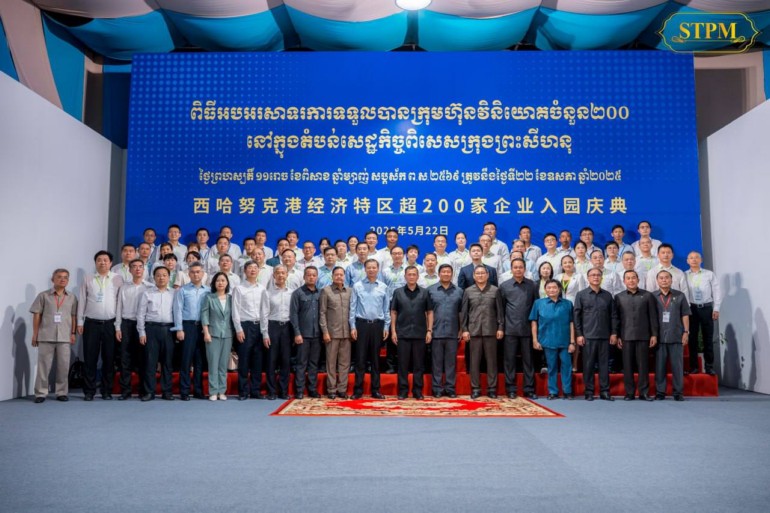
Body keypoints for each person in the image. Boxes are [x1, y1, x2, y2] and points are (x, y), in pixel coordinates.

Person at [77, 250, 124, 401]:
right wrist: (80, 321)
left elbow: (119, 304)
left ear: (111, 263)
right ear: (95, 262)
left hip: (110, 324)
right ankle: (89, 391)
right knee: (90, 358)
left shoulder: (117, 278)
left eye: (105, 260)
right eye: (99, 260)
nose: (102, 262)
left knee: (109, 359)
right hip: (91, 324)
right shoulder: (88, 278)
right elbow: (82, 300)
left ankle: (106, 390)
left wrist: (118, 326)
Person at [30, 268, 78, 403]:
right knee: (43, 366)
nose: (62, 279)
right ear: (53, 279)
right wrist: (35, 334)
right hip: (46, 335)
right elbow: (37, 315)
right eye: (59, 277)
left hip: (65, 336)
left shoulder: (72, 297)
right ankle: (40, 393)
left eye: (65, 277)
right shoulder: (43, 296)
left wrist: (73, 333)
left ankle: (61, 392)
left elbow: (73, 316)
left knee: (63, 366)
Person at [613, 270, 659, 401]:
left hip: (643, 336)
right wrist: (617, 335)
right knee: (627, 366)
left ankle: (644, 392)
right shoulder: (619, 297)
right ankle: (629, 393)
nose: (631, 280)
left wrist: (654, 334)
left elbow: (653, 316)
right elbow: (616, 318)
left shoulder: (648, 296)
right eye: (628, 278)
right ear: (624, 281)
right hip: (626, 336)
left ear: (638, 280)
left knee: (643, 366)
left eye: (633, 278)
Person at [498, 258, 540, 399]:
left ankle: (529, 389)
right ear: (511, 269)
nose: (518, 269)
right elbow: (501, 309)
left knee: (528, 361)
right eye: (515, 267)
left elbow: (536, 307)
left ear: (525, 269)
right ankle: (510, 389)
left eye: (520, 267)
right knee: (509, 361)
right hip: (510, 329)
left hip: (527, 329)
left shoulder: (532, 285)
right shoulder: (504, 286)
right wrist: (501, 327)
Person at [461, 265, 504, 399]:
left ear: (487, 275)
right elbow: (464, 312)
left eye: (482, 273)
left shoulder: (495, 290)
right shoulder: (468, 291)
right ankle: (475, 388)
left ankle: (492, 388)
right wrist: (464, 329)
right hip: (473, 331)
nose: (480, 275)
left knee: (492, 361)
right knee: (474, 362)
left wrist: (500, 327)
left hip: (491, 330)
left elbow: (500, 311)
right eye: (478, 273)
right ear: (474, 276)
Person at [390, 266, 434, 400]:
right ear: (405, 276)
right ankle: (403, 391)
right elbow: (393, 312)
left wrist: (429, 330)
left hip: (420, 334)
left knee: (419, 365)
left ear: (418, 276)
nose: (411, 277)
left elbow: (429, 312)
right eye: (409, 274)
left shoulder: (425, 292)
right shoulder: (398, 292)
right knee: (402, 365)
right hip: (402, 333)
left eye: (414, 274)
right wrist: (393, 331)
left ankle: (417, 391)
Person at [349, 259, 390, 399]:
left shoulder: (383, 287)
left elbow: (386, 309)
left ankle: (376, 390)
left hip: (378, 325)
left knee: (375, 360)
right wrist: (352, 326)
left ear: (378, 269)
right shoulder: (357, 286)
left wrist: (386, 326)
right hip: (361, 325)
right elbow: (353, 308)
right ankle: (358, 390)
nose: (371, 270)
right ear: (365, 269)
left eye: (374, 267)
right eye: (369, 267)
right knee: (360, 359)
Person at [574, 268, 617, 401]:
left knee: (604, 365)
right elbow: (577, 316)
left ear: (601, 278)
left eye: (598, 275)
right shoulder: (581, 295)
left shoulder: (607, 295)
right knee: (588, 365)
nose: (596, 277)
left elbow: (613, 316)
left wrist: (614, 333)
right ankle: (589, 391)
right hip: (588, 336)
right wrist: (579, 334)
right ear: (588, 278)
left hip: (605, 335)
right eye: (593, 275)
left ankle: (605, 391)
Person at [530, 279, 576, 400]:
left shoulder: (568, 304)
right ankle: (553, 391)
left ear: (559, 289)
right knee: (551, 367)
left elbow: (571, 323)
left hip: (565, 341)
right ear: (545, 290)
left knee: (567, 366)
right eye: (549, 288)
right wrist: (535, 340)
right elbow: (534, 322)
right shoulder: (538, 303)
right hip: (547, 340)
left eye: (554, 287)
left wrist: (572, 342)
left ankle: (567, 391)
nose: (552, 290)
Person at [169, 261, 207, 400]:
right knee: (186, 360)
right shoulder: (182, 290)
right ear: (188, 274)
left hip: (203, 328)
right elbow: (177, 310)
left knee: (199, 361)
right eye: (193, 272)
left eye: (198, 272)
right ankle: (184, 391)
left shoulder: (208, 291)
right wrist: (179, 329)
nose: (196, 274)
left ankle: (198, 390)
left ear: (203, 274)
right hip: (187, 327)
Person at [232, 261, 270, 400]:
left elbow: (265, 311)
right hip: (245, 327)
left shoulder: (262, 289)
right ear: (245, 271)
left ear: (258, 271)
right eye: (250, 268)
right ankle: (243, 391)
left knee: (257, 360)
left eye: (255, 268)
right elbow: (235, 310)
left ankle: (255, 390)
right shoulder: (239, 288)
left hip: (258, 326)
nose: (253, 270)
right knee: (244, 360)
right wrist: (238, 329)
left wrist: (265, 332)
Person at [137, 266, 175, 401]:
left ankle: (167, 391)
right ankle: (149, 392)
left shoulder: (174, 293)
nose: (161, 278)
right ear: (154, 278)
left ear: (169, 277)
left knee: (167, 362)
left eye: (164, 275)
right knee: (150, 362)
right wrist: (141, 332)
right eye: (158, 275)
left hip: (169, 330)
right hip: (151, 329)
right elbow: (141, 314)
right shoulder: (147, 293)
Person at [653, 270, 691, 401]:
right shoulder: (652, 296)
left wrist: (686, 332)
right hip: (659, 337)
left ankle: (678, 392)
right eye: (661, 278)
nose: (664, 280)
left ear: (671, 280)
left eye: (667, 278)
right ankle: (660, 392)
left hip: (676, 336)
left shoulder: (680, 295)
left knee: (677, 366)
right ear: (657, 281)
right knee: (660, 367)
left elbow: (685, 314)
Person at [427, 264, 464, 398]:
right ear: (439, 274)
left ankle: (450, 388)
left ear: (452, 274)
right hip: (436, 332)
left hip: (452, 332)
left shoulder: (459, 291)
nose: (446, 274)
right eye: (443, 272)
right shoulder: (430, 290)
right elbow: (427, 312)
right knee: (436, 362)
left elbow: (461, 312)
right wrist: (428, 330)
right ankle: (437, 388)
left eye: (449, 272)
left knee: (451, 363)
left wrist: (461, 329)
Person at [115, 259, 149, 399]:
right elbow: (119, 308)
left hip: (144, 326)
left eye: (140, 266)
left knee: (143, 358)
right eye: (134, 267)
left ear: (144, 269)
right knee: (125, 358)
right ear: (130, 270)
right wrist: (118, 327)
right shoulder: (124, 287)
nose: (137, 269)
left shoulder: (149, 287)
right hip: (127, 324)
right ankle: (125, 390)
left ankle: (143, 390)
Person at [685, 251, 721, 375]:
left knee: (708, 338)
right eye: (691, 258)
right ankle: (694, 367)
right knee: (692, 339)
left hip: (706, 308)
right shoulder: (684, 275)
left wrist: (716, 308)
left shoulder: (709, 274)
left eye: (696, 257)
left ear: (701, 260)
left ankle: (709, 366)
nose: (694, 260)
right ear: (687, 261)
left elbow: (716, 291)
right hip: (691, 309)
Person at [319, 266, 352, 399]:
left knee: (345, 363)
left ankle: (342, 389)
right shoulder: (326, 291)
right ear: (332, 276)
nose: (339, 277)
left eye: (341, 275)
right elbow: (322, 313)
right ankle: (331, 389)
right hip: (332, 334)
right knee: (331, 363)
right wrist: (325, 331)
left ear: (344, 276)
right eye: (336, 274)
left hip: (347, 334)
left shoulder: (349, 291)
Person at [201, 272, 234, 400]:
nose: (220, 283)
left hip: (227, 334)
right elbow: (204, 315)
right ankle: (213, 391)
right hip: (212, 334)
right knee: (213, 364)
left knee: (223, 364)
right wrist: (206, 332)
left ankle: (222, 391)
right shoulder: (209, 298)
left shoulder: (231, 298)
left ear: (227, 283)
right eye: (218, 280)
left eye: (223, 280)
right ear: (214, 283)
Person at [290, 266, 323, 399]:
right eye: (308, 275)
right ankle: (299, 390)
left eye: (314, 275)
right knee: (301, 363)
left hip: (317, 334)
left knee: (314, 363)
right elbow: (293, 315)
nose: (311, 277)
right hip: (302, 335)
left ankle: (312, 389)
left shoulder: (321, 293)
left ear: (317, 277)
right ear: (304, 277)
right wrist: (297, 333)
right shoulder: (297, 293)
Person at [264, 265, 294, 400]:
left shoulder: (292, 293)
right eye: (278, 273)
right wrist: (265, 333)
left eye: (283, 273)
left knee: (285, 361)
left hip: (287, 328)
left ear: (287, 275)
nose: (281, 275)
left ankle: (283, 391)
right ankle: (271, 391)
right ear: (273, 275)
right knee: (271, 360)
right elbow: (264, 314)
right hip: (273, 326)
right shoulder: (267, 293)